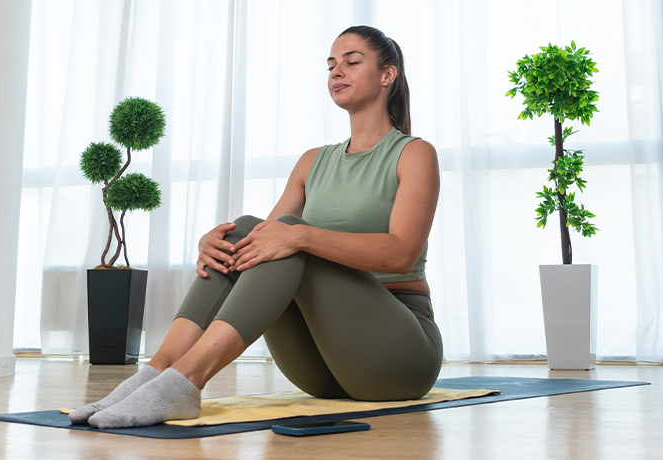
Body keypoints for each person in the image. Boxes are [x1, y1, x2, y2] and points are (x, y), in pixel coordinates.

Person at [73, 25, 442, 429]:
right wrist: (213, 245)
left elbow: (401, 252)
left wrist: (303, 234)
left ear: (387, 75)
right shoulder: (312, 161)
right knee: (245, 230)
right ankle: (157, 371)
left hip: (399, 357)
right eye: (331, 65)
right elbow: (262, 243)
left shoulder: (413, 153)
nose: (337, 72)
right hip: (323, 370)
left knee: (287, 232)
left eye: (352, 62)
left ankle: (186, 380)